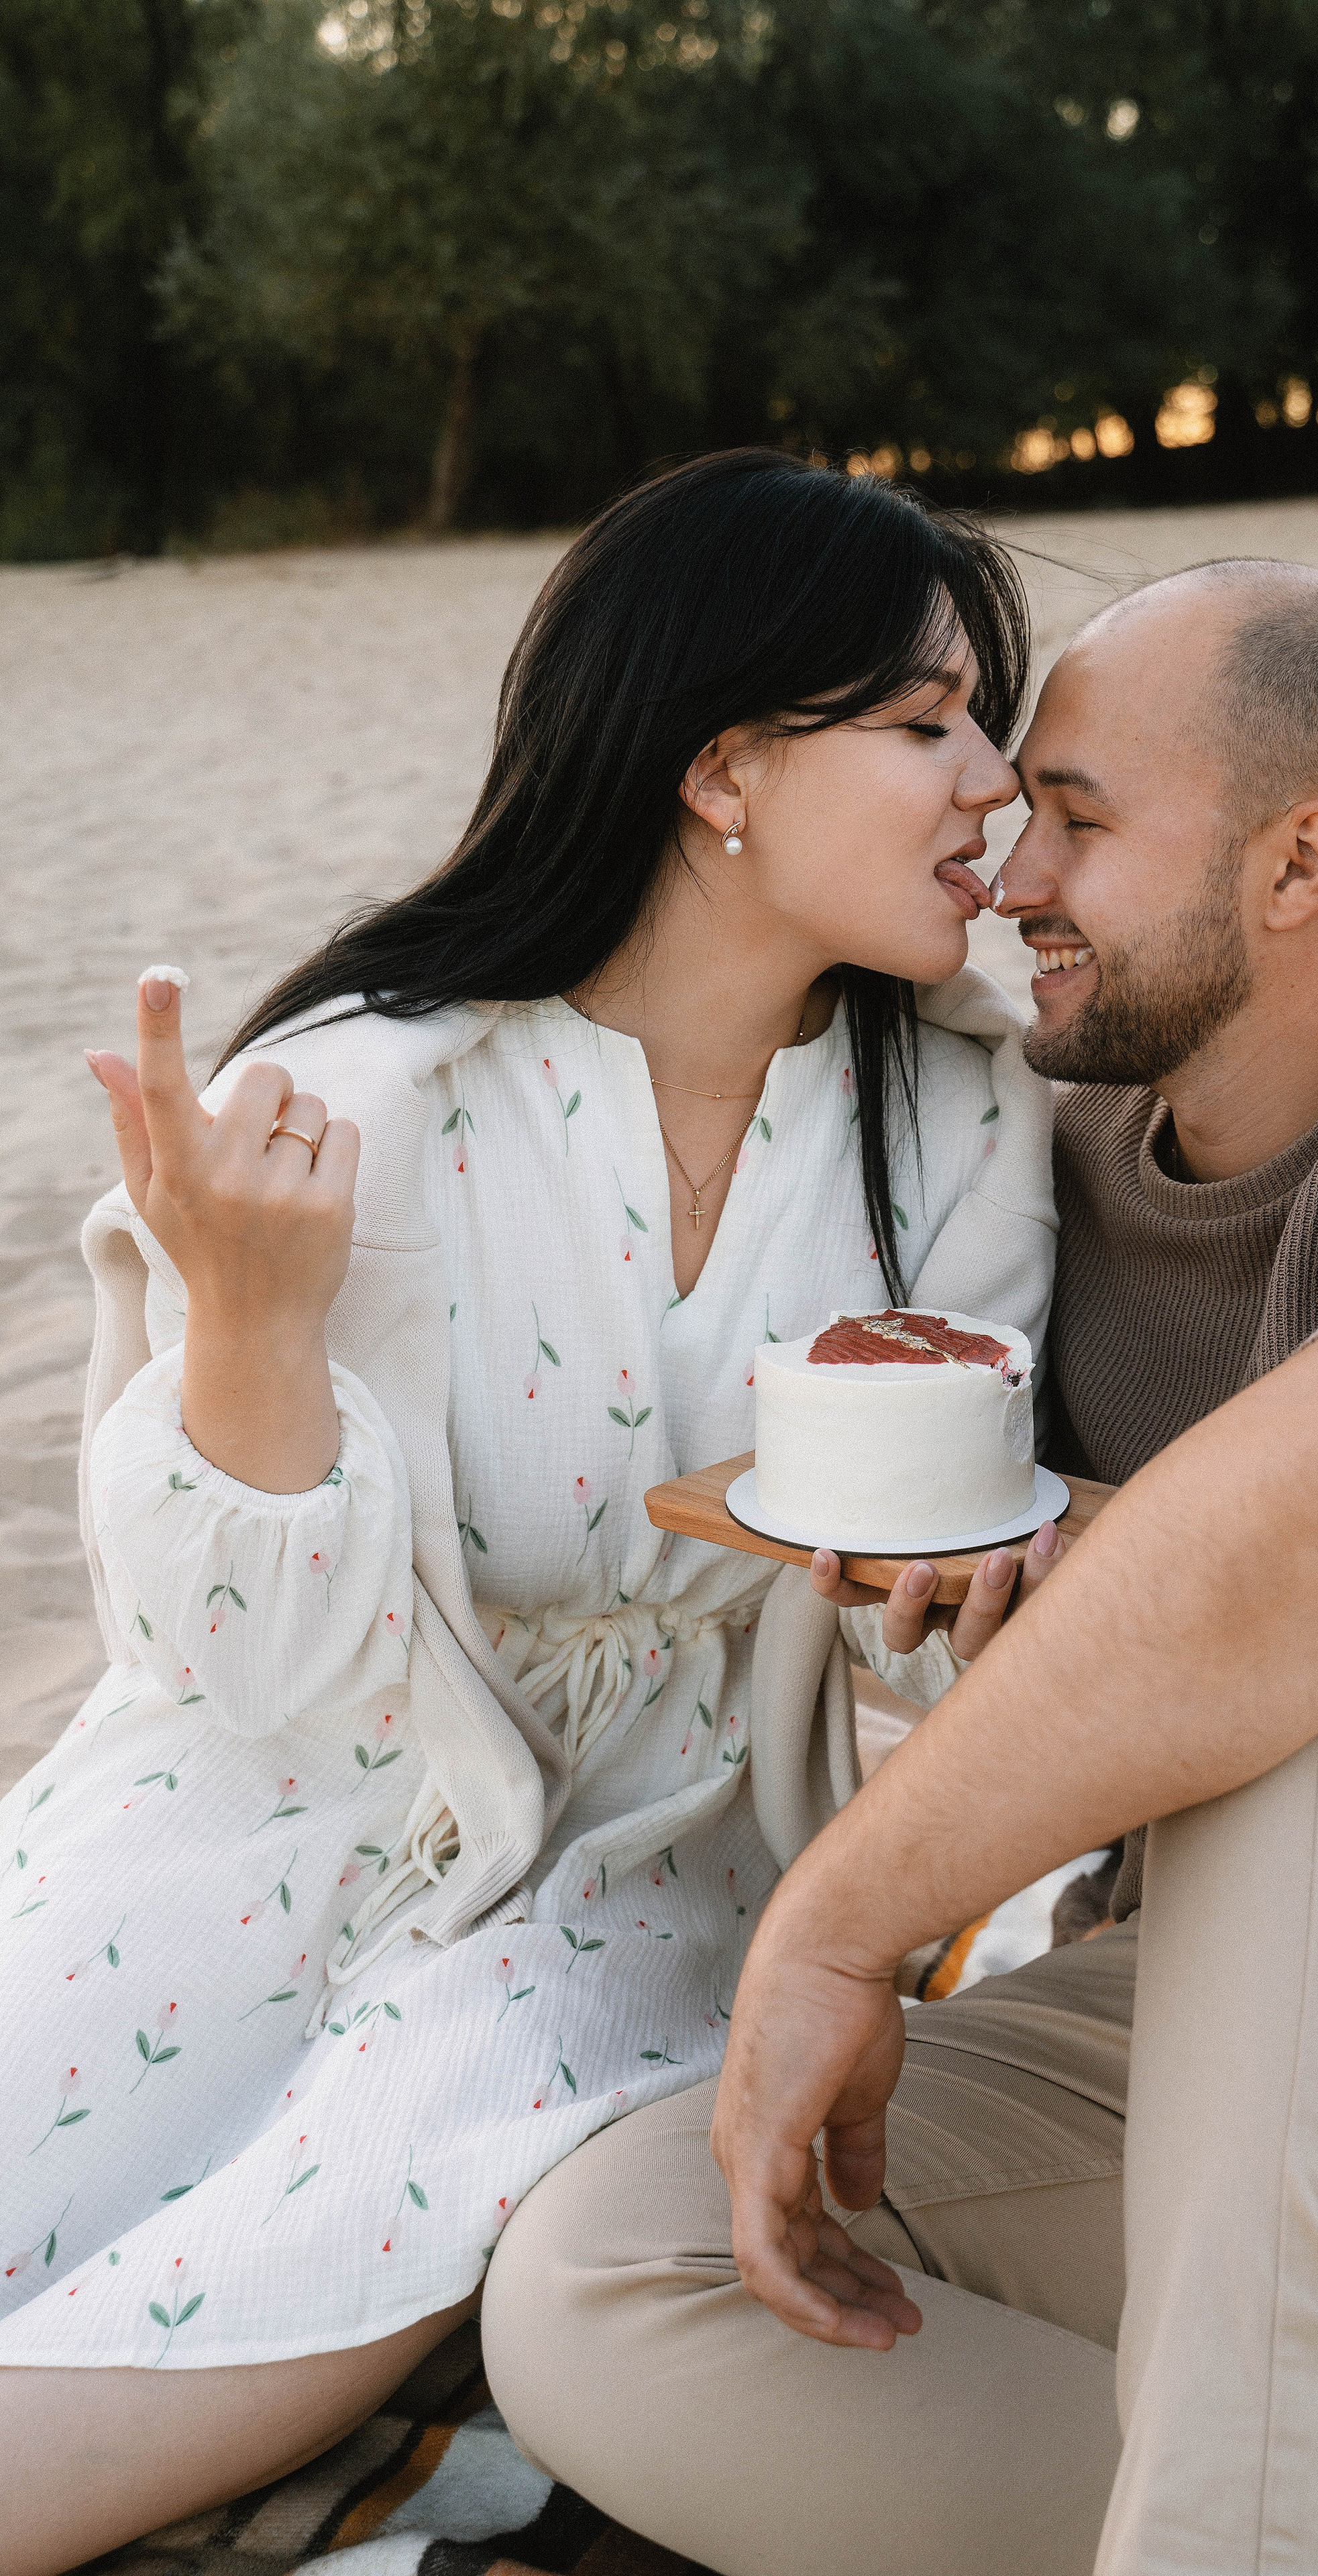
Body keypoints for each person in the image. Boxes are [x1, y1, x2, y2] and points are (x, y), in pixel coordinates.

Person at [486, 558, 1318, 2576]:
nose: (1005, 868)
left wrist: (847, 1922)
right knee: (619, 2270)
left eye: (1074, 813)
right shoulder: (1041, 1176)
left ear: (1302, 860)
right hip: (1259, 2046)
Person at [0, 451, 1069, 2576]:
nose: (999, 786)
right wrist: (255, 1330)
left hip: (653, 1858)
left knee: (384, 2178)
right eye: (930, 721)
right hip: (280, 1793)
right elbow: (225, 1669)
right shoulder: (378, 1095)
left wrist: (938, 1580)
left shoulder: (953, 1118)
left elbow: (921, 1620)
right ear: (724, 771)